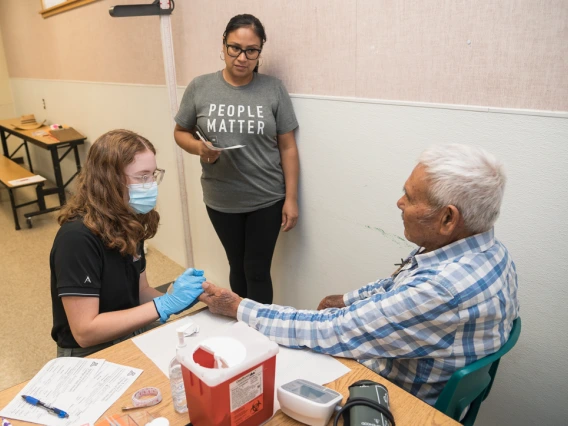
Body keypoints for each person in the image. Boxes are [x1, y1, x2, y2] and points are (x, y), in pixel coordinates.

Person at [198, 144, 520, 406]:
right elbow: (397, 284)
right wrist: (349, 299)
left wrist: (238, 306)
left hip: (402, 401)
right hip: (419, 368)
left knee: (270, 381)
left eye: (410, 197)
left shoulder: (442, 290)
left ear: (448, 218)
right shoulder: (489, 250)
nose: (399, 203)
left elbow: (331, 331)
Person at [173, 14, 299, 304]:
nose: (242, 57)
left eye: (251, 50)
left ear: (259, 52)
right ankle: (239, 330)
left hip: (266, 197)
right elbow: (180, 132)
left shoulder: (273, 88)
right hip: (221, 198)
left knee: (257, 270)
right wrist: (199, 148)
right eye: (235, 48)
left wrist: (291, 198)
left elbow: (288, 147)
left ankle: (262, 331)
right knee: (237, 267)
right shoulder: (200, 87)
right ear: (224, 45)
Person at [50, 129, 206, 357]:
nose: (151, 184)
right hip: (91, 349)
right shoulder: (76, 238)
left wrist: (175, 297)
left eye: (153, 174)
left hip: (130, 329)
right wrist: (162, 306)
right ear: (109, 179)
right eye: (142, 176)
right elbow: (85, 332)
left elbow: (140, 291)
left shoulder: (129, 219)